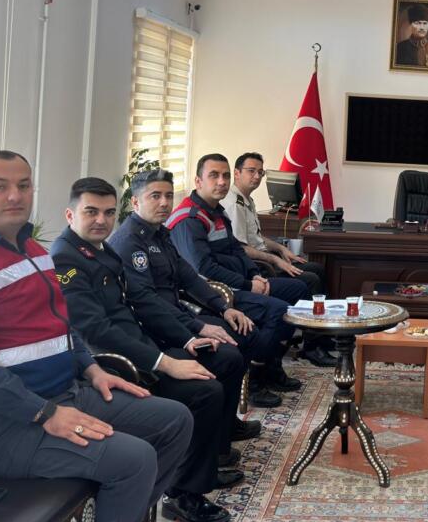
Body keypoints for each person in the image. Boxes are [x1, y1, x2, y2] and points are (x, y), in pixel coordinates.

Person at [0, 151, 193, 522]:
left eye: (23, 185)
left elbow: (61, 326)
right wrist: (44, 413)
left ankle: (123, 510)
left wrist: (93, 369)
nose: (15, 195)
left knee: (176, 420)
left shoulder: (34, 251)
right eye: (0, 187)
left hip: (65, 393)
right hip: (1, 426)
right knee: (135, 459)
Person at [52, 176, 245, 522]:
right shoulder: (66, 260)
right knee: (205, 390)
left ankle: (201, 466)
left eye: (108, 212)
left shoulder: (102, 249)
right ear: (70, 215)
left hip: (142, 345)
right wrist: (164, 362)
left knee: (221, 360)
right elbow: (96, 331)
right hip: (115, 364)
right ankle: (183, 494)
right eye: (91, 212)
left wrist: (186, 338)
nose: (101, 220)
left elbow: (141, 300)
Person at [110, 167, 295, 407]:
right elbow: (148, 303)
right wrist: (199, 326)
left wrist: (224, 309)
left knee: (244, 330)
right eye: (155, 196)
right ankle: (226, 414)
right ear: (135, 202)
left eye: (168, 196)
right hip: (157, 329)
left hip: (179, 314)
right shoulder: (129, 242)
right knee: (231, 351)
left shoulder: (160, 233)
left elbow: (189, 277)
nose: (164, 203)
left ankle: (234, 414)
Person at [167, 153, 308, 392]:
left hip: (239, 282)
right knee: (279, 311)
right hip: (211, 294)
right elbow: (204, 269)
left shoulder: (217, 211)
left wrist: (254, 275)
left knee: (299, 289)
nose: (222, 182)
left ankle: (270, 365)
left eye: (225, 176)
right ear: (198, 181)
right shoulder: (189, 219)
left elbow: (237, 249)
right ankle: (256, 374)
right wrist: (247, 284)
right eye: (214, 176)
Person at [222, 152, 336, 367]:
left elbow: (256, 238)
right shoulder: (233, 204)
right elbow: (241, 248)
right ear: (236, 173)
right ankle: (312, 347)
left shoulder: (247, 199)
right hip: (256, 267)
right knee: (310, 279)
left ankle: (322, 333)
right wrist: (275, 260)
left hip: (265, 258)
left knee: (317, 268)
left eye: (260, 172)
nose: (257, 176)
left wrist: (282, 250)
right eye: (251, 171)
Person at [394, 4, 428, 68]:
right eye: (418, 23)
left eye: (425, 23)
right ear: (410, 25)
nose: (422, 28)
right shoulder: (399, 48)